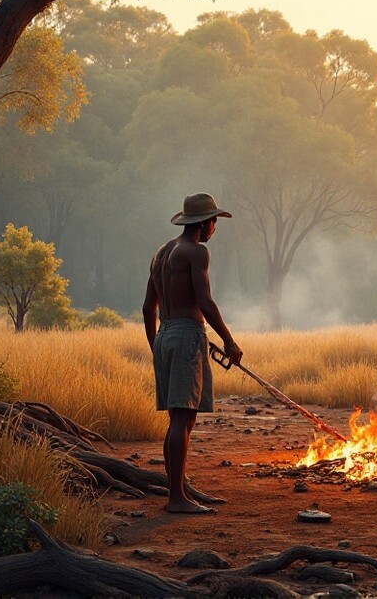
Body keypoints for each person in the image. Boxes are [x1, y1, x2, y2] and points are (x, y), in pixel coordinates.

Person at [143, 192, 243, 514]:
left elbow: (148, 308)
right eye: (214, 222)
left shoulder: (161, 253)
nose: (215, 228)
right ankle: (176, 499)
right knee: (183, 418)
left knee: (177, 418)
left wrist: (157, 347)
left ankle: (179, 488)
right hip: (186, 334)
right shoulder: (196, 252)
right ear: (204, 223)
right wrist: (229, 341)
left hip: (164, 333)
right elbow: (205, 302)